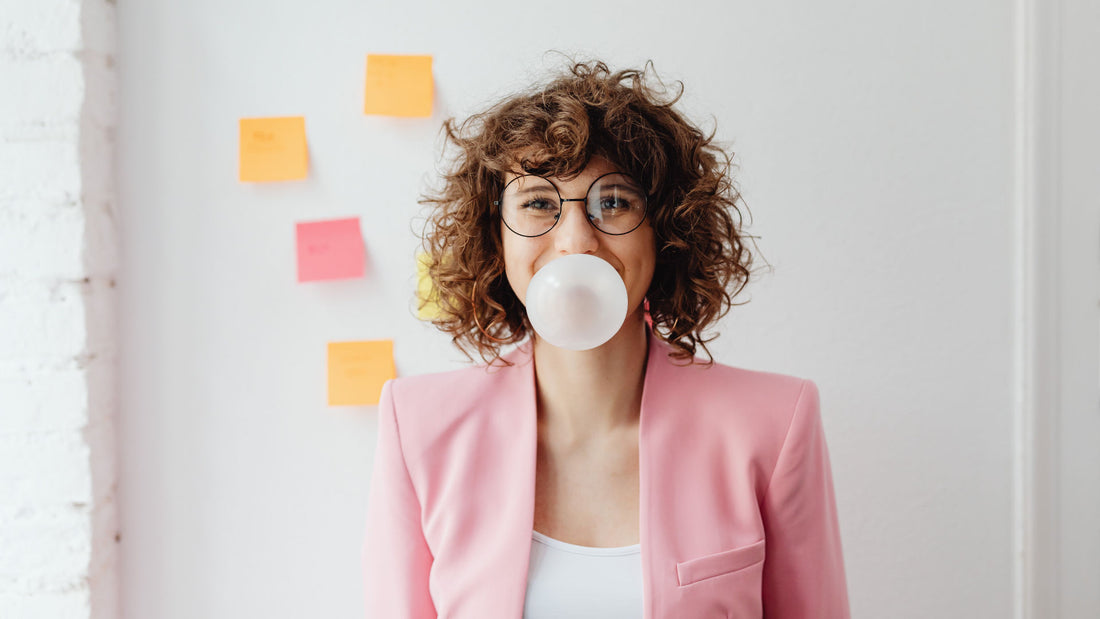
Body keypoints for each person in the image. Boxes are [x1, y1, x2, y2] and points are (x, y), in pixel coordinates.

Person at [361, 58, 850, 618]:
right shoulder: (418, 425)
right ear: (494, 237)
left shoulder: (775, 424)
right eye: (539, 202)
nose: (575, 241)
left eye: (613, 202)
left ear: (666, 230)